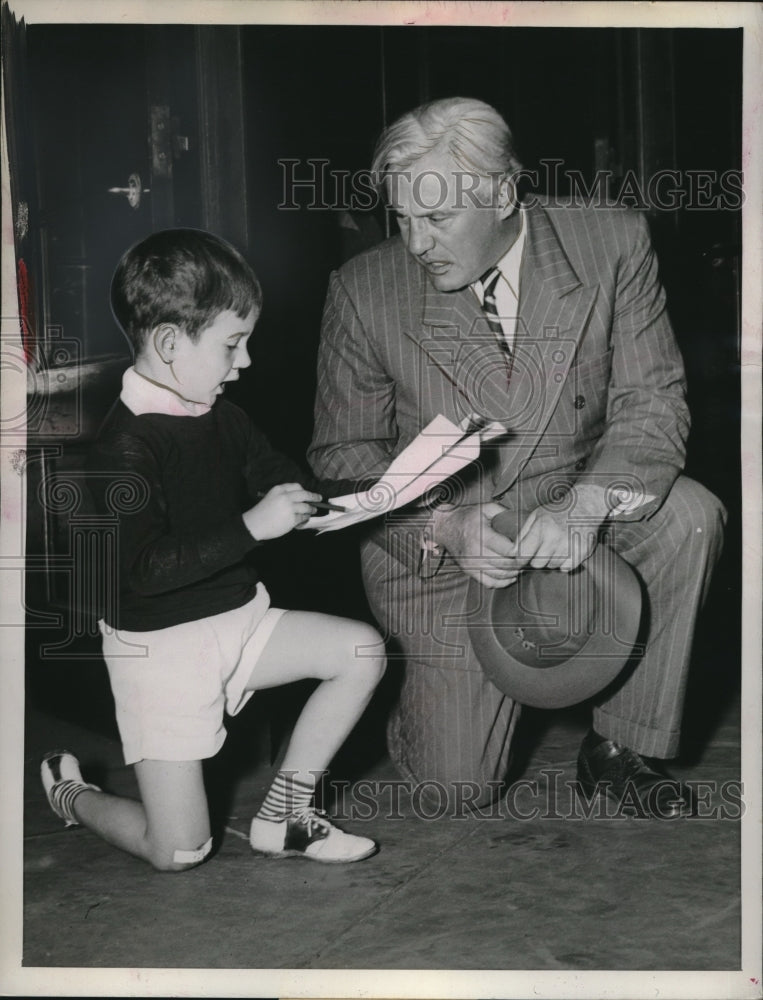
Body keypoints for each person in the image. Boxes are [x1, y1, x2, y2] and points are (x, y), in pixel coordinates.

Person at [308, 96, 726, 816]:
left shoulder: (611, 242)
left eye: (437, 219)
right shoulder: (362, 292)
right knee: (458, 788)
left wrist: (586, 505)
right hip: (445, 541)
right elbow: (341, 457)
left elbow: (651, 405)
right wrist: (444, 527)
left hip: (573, 505)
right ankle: (455, 690)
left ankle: (619, 745)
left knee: (689, 515)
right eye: (401, 218)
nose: (415, 242)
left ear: (502, 193)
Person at [41, 228, 386, 871]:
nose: (246, 361)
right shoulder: (120, 449)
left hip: (237, 619)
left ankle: (285, 814)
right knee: (179, 850)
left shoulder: (220, 412)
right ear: (170, 342)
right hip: (161, 650)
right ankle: (72, 795)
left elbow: (285, 482)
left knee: (360, 650)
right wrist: (255, 525)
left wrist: (379, 492)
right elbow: (142, 572)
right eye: (233, 343)